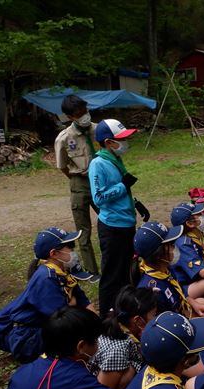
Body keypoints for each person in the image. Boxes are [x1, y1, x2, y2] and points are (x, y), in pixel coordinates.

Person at [0, 227, 96, 363]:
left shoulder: (62, 271)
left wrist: (95, 323)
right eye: (69, 247)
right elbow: (62, 319)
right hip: (27, 336)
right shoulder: (45, 278)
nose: (73, 252)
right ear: (54, 253)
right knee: (71, 342)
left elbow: (84, 302)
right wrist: (73, 307)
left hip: (44, 325)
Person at [89, 118, 151, 317]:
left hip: (126, 223)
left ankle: (123, 312)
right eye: (121, 139)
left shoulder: (114, 159)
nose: (125, 144)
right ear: (108, 142)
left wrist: (136, 203)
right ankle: (107, 319)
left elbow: (120, 190)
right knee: (111, 276)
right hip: (112, 226)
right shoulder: (98, 164)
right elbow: (98, 198)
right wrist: (123, 186)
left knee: (125, 273)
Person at [54, 95, 100, 280]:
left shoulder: (98, 130)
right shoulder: (64, 138)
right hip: (79, 184)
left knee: (110, 223)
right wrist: (77, 177)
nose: (84, 116)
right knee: (84, 231)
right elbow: (63, 166)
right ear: (70, 117)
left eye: (85, 111)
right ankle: (92, 271)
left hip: (100, 183)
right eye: (79, 114)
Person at [132, 221, 204, 318]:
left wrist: (194, 303)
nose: (174, 247)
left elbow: (179, 292)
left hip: (182, 314)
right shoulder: (153, 292)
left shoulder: (165, 268)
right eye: (170, 244)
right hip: (173, 327)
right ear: (158, 254)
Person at [90, 285, 157, 389]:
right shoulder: (117, 350)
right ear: (138, 321)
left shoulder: (123, 328)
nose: (155, 319)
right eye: (153, 315)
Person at [170, 202, 204, 308]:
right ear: (189, 223)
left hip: (194, 281)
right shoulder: (183, 243)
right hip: (185, 287)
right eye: (198, 214)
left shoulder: (195, 234)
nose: (202, 216)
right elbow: (202, 272)